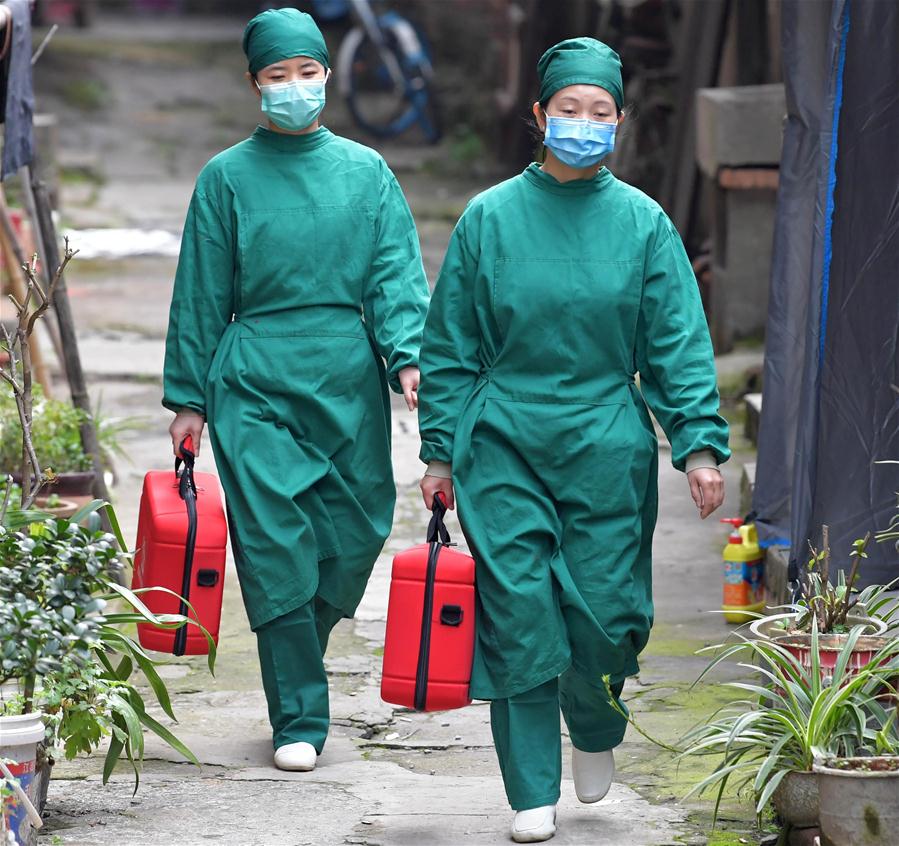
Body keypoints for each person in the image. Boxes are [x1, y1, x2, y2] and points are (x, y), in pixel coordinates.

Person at [417, 38, 730, 843]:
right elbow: (449, 346)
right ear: (539, 116)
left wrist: (697, 446)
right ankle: (529, 788)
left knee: (604, 615)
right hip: (505, 440)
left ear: (619, 122)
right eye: (568, 110)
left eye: (599, 113)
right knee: (518, 609)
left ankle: (593, 723)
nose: (583, 124)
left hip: (604, 441)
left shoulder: (643, 224)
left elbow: (676, 344)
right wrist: (440, 451)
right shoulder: (488, 218)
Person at [162, 9, 429, 773]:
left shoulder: (366, 172)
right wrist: (189, 400)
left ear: (328, 74)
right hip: (255, 378)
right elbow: (201, 292)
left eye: (305, 73)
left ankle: (294, 659)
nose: (293, 88)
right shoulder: (226, 178)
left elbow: (394, 277)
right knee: (276, 543)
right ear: (254, 84)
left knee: (354, 532)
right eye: (276, 77)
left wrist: (408, 360)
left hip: (346, 374)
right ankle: (299, 717)